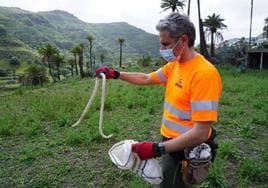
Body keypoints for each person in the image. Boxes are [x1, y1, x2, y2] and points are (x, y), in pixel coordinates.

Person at [96, 13, 222, 188]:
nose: (162, 49)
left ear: (183, 40)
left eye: (165, 44)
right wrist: (116, 74)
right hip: (170, 142)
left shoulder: (204, 75)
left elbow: (201, 132)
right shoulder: (175, 65)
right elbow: (147, 78)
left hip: (185, 149)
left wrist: (157, 149)